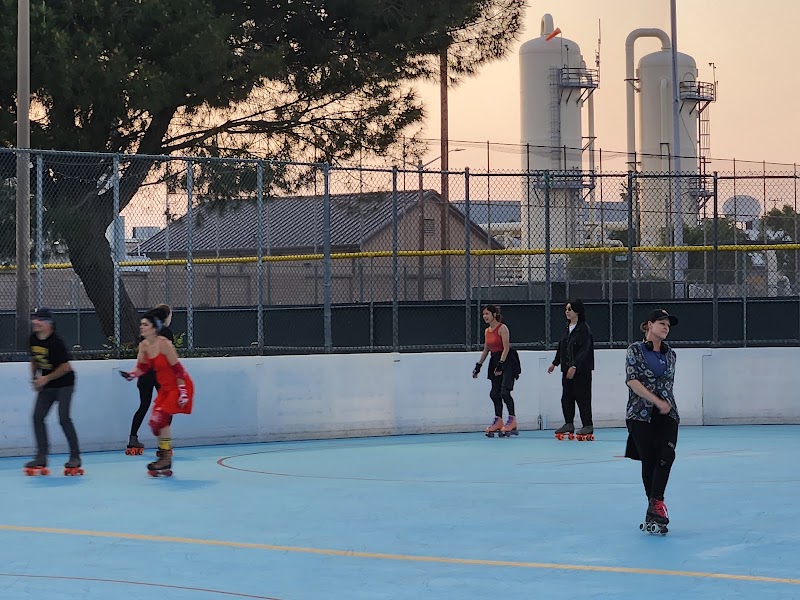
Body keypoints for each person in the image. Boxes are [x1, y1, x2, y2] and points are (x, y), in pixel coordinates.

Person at [624, 308, 680, 533]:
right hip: (640, 414)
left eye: (668, 324)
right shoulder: (635, 351)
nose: (665, 327)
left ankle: (656, 503)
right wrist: (656, 401)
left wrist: (664, 405)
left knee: (667, 454)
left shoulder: (671, 354)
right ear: (649, 325)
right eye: (661, 323)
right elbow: (632, 381)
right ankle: (654, 509)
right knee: (649, 460)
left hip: (668, 414)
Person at [122, 311, 194, 475]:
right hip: (165, 388)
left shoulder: (164, 344)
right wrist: (132, 374)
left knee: (160, 418)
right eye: (141, 324)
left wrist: (183, 392)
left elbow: (179, 370)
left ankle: (164, 457)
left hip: (178, 385)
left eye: (145, 325)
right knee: (159, 423)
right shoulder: (144, 345)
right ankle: (165, 457)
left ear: (154, 328)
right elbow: (143, 367)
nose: (141, 327)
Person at [25, 307, 82, 474]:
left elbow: (65, 367)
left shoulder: (56, 342)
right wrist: (35, 378)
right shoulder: (32, 339)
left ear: (48, 323)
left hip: (64, 384)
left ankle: (75, 456)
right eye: (34, 319)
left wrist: (46, 378)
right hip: (47, 384)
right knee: (37, 417)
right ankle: (41, 455)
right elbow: (34, 359)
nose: (35, 322)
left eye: (39, 319)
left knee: (64, 418)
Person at [125, 303, 174, 455]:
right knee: (167, 407)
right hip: (160, 375)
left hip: (145, 374)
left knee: (144, 405)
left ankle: (133, 438)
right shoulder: (166, 332)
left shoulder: (146, 334)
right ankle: (163, 443)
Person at [548, 299, 595, 439]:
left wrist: (575, 365)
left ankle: (587, 424)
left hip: (581, 370)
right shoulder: (567, 328)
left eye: (570, 309)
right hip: (566, 369)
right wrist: (555, 363)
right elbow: (561, 346)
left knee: (583, 397)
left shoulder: (584, 329)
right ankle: (569, 423)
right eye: (566, 309)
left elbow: (584, 350)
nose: (567, 312)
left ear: (577, 311)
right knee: (567, 397)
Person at [472, 304, 521, 437]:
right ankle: (498, 420)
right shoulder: (487, 331)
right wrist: (478, 366)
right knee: (494, 393)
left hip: (507, 361)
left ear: (494, 315)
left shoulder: (502, 328)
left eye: (487, 314)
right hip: (494, 360)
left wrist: (501, 364)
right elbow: (486, 349)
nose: (484, 316)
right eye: (483, 314)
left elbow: (506, 348)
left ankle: (512, 420)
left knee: (505, 392)